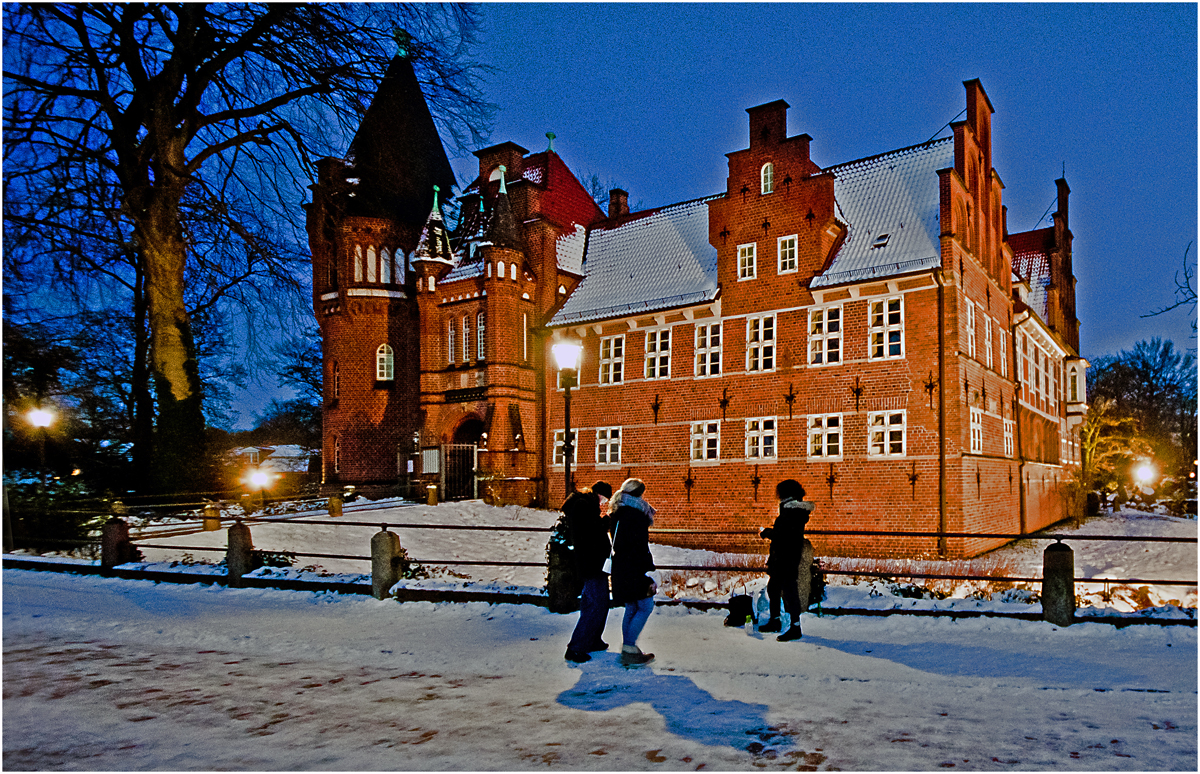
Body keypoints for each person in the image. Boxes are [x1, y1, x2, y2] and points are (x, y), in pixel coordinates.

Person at [563, 481, 614, 664]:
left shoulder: (584, 504)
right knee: (596, 604)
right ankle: (576, 647)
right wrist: (606, 521)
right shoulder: (585, 506)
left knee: (594, 602)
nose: (603, 502)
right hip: (593, 564)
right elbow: (591, 533)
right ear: (599, 494)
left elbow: (588, 531)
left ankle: (592, 639)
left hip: (590, 563)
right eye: (604, 498)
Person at [608, 478, 658, 666]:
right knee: (645, 606)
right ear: (638, 494)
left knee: (631, 607)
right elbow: (638, 545)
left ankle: (628, 648)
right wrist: (647, 569)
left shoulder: (618, 511)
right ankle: (629, 648)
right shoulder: (635, 514)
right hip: (633, 566)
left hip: (621, 565)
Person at [758, 479, 814, 642]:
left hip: (785, 558)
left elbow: (783, 535)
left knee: (789, 592)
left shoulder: (791, 512)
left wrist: (766, 532)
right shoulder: (793, 511)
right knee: (774, 588)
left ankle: (794, 627)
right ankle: (776, 620)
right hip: (785, 557)